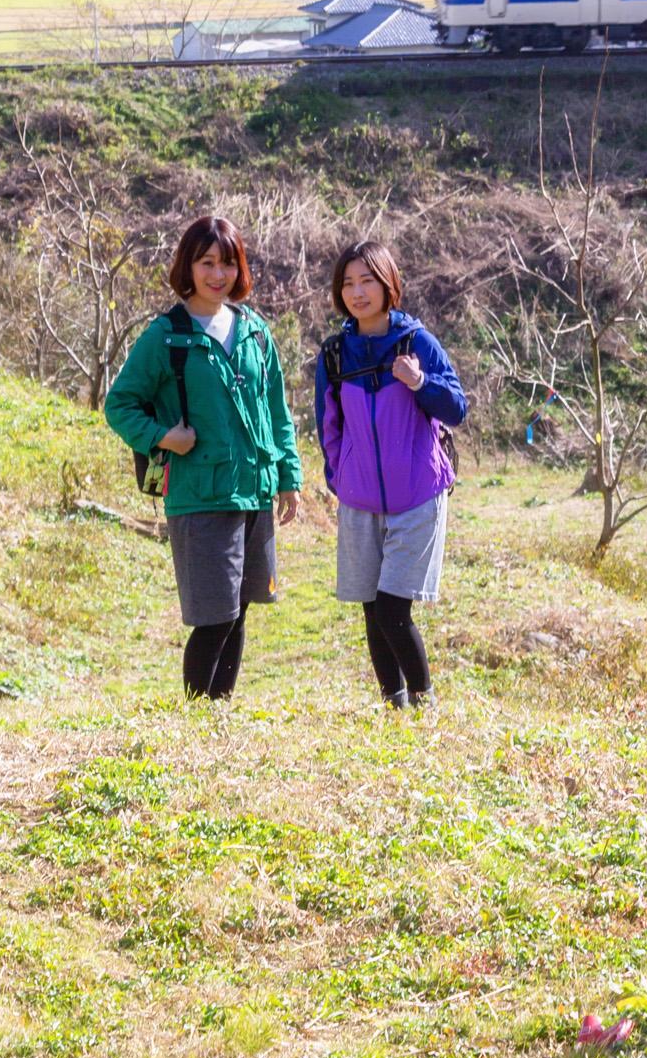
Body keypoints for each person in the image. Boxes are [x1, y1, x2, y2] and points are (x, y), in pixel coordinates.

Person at [105, 213, 301, 702]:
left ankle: (219, 713)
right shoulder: (166, 336)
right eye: (207, 262)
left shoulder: (254, 331)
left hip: (253, 489)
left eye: (228, 264)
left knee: (240, 607)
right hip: (198, 494)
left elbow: (276, 408)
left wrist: (288, 476)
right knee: (215, 616)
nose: (219, 275)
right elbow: (119, 404)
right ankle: (197, 716)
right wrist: (162, 437)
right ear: (187, 267)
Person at [316, 239, 465, 710]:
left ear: (388, 284)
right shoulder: (336, 354)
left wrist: (418, 381)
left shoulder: (416, 342)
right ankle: (393, 705)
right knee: (371, 607)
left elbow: (456, 408)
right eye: (349, 283)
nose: (358, 292)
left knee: (393, 609)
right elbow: (327, 424)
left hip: (418, 495)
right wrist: (340, 476)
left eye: (368, 281)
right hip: (359, 499)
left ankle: (424, 704)